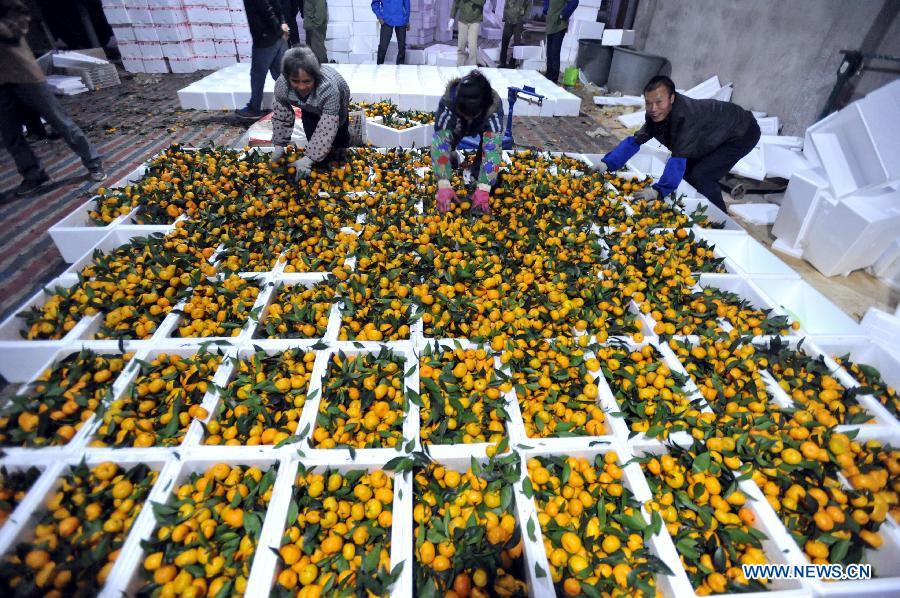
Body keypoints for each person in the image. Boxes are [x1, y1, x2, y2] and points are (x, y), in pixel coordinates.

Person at [598, 75, 760, 211]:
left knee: (702, 175)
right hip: (715, 132)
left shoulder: (686, 118)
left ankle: (720, 220)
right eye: (648, 103)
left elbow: (678, 159)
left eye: (659, 102)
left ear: (672, 98)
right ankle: (693, 209)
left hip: (741, 132)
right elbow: (637, 140)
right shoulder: (656, 114)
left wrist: (658, 191)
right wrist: (608, 163)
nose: (653, 108)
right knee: (689, 173)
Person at [0, 0, 106, 198]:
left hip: (22, 73)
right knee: (10, 134)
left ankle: (93, 162)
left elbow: (20, 21)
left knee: (59, 120)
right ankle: (33, 174)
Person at [270, 47, 351, 178]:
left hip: (337, 103)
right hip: (310, 106)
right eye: (295, 81)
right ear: (287, 77)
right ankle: (317, 158)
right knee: (311, 131)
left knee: (338, 135)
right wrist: (279, 145)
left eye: (307, 81)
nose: (301, 87)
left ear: (315, 77)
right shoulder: (282, 85)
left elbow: (328, 127)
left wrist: (307, 161)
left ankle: (340, 150)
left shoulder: (328, 88)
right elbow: (282, 115)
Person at [430, 70, 503, 214]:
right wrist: (443, 183)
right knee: (445, 151)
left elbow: (492, 148)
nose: (468, 117)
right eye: (465, 114)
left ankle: (478, 174)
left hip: (482, 124)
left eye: (471, 115)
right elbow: (440, 141)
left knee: (485, 157)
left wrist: (484, 188)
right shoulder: (448, 102)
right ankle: (449, 167)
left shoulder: (492, 107)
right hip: (457, 125)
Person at [236, 0, 288, 119]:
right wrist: (282, 25)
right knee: (280, 75)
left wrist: (278, 29)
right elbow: (277, 5)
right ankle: (295, 104)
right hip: (276, 35)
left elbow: (266, 9)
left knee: (257, 75)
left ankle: (254, 108)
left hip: (265, 36)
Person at [543, 0, 578, 83]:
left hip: (559, 25)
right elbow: (547, 2)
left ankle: (553, 78)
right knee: (549, 52)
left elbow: (574, 2)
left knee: (554, 52)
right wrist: (546, 10)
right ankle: (549, 75)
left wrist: (564, 14)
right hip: (550, 24)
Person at [372, 0, 410, 65]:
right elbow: (374, 3)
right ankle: (379, 66)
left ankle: (400, 66)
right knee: (383, 46)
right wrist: (379, 17)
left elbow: (407, 4)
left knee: (402, 46)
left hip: (401, 19)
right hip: (386, 20)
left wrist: (406, 20)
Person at [448, 0, 485, 67]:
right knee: (461, 46)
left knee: (472, 47)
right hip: (462, 20)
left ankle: (472, 67)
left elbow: (482, 2)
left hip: (475, 20)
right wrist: (452, 17)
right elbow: (456, 3)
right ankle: (459, 66)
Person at [499, 0, 530, 68]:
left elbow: (529, 6)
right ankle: (502, 63)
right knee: (504, 42)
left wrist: (524, 18)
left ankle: (512, 63)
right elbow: (506, 4)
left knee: (517, 44)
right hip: (508, 20)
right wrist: (504, 16)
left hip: (518, 21)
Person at [302, 0, 328, 64]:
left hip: (316, 29)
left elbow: (321, 12)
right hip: (311, 28)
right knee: (311, 54)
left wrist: (314, 25)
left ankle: (324, 71)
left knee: (318, 52)